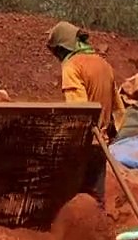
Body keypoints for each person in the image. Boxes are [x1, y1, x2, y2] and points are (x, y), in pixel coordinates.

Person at [47, 21, 126, 202]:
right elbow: (119, 109)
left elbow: (79, 111)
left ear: (62, 48)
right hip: (101, 144)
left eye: (56, 52)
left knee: (70, 198)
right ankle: (98, 227)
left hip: (83, 144)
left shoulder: (72, 66)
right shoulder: (104, 64)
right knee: (96, 198)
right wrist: (110, 135)